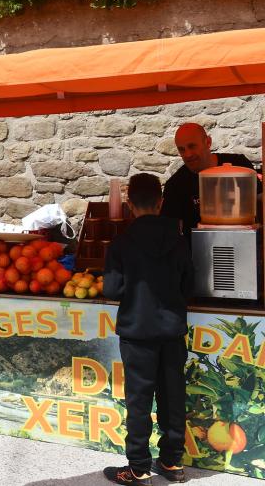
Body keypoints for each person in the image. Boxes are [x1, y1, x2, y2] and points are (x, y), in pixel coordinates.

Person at [103, 173, 193, 485]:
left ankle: (139, 468)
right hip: (171, 330)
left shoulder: (121, 244)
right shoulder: (180, 241)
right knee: (173, 396)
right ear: (161, 202)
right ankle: (171, 463)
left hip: (137, 332)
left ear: (129, 205)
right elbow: (188, 286)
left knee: (139, 401)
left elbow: (112, 289)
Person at [161, 122, 257, 238]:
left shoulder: (240, 165)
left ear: (208, 142)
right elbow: (171, 233)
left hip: (245, 245)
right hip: (199, 253)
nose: (188, 154)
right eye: (182, 149)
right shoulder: (175, 185)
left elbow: (261, 201)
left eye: (192, 146)